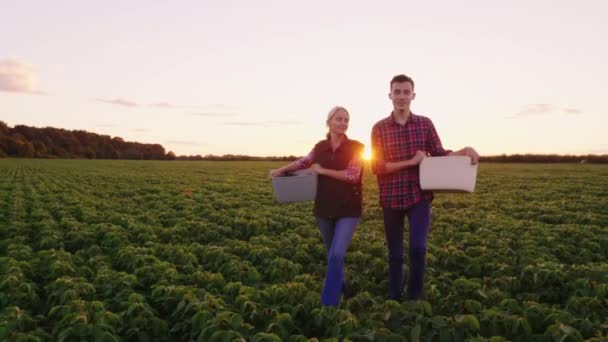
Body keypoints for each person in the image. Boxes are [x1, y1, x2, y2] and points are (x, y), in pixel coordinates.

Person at [371, 74, 480, 301]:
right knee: (395, 253)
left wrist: (464, 150)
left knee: (418, 249)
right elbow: (377, 166)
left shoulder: (425, 123)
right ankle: (393, 297)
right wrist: (411, 162)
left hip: (418, 194)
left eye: (406, 92)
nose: (402, 96)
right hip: (390, 196)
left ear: (413, 95)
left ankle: (414, 298)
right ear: (390, 95)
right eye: (397, 92)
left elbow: (439, 153)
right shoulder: (379, 128)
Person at [270, 106, 364, 306]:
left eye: (346, 119)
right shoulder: (320, 146)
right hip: (324, 207)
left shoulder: (357, 147)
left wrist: (322, 170)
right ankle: (343, 287)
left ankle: (329, 305)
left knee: (338, 253)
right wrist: (281, 169)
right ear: (328, 122)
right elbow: (304, 162)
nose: (343, 123)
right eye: (338, 119)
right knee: (332, 255)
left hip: (349, 208)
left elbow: (353, 175)